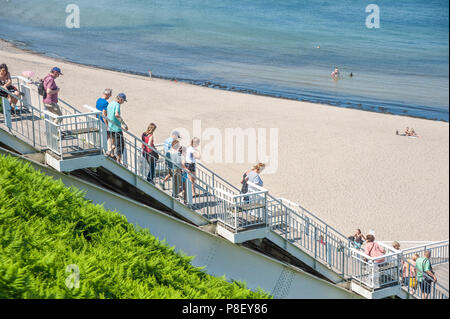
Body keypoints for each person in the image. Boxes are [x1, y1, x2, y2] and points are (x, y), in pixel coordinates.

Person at [106, 93, 128, 163]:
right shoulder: (117, 105)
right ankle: (118, 160)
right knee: (120, 145)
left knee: (113, 142)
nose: (123, 102)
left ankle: (110, 152)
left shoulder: (110, 103)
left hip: (110, 127)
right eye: (123, 101)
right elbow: (116, 114)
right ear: (121, 99)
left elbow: (107, 113)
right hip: (116, 128)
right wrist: (124, 124)